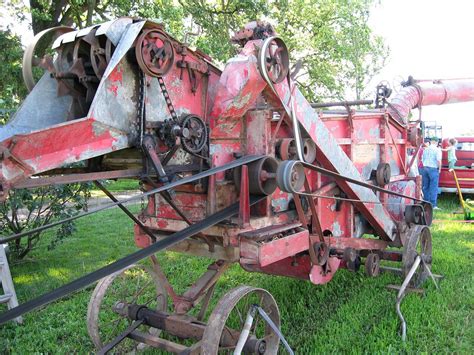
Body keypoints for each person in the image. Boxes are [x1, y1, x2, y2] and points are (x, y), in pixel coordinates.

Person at [421, 137, 442, 210]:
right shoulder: (437, 149)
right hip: (433, 169)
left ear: (431, 142)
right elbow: (438, 160)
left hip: (425, 168)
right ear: (437, 142)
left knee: (425, 186)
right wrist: (439, 169)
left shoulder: (426, 149)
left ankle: (426, 203)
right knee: (433, 187)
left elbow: (422, 159)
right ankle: (433, 205)